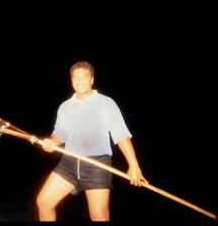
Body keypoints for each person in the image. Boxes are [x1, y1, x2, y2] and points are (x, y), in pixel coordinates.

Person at [36, 61, 148, 222]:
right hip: (69, 163)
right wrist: (52, 142)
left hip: (97, 165)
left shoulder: (106, 103)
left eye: (84, 77)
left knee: (99, 216)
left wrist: (134, 166)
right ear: (71, 80)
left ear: (92, 80)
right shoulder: (65, 106)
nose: (80, 81)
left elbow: (121, 135)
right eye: (76, 77)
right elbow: (61, 132)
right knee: (44, 202)